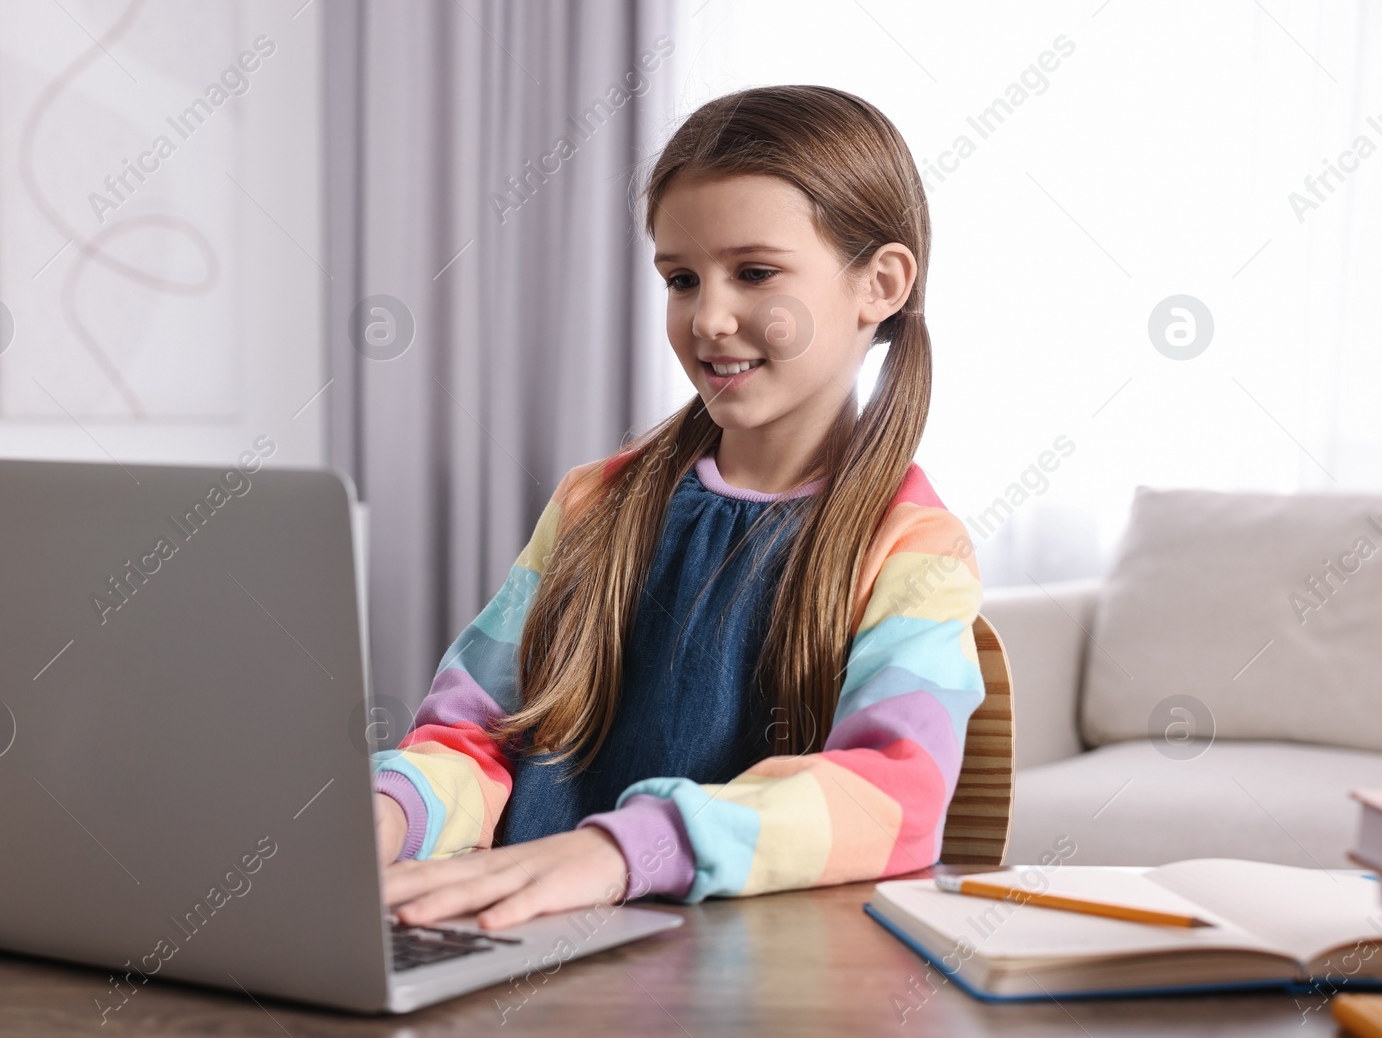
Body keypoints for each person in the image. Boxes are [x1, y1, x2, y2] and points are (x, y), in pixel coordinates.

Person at [372, 84, 984, 932]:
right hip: (519, 955)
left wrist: (622, 849)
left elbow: (895, 792)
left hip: (751, 989)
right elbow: (471, 735)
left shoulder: (913, 547)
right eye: (682, 278)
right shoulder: (594, 504)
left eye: (755, 273)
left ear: (879, 283)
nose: (710, 317)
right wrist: (391, 811)